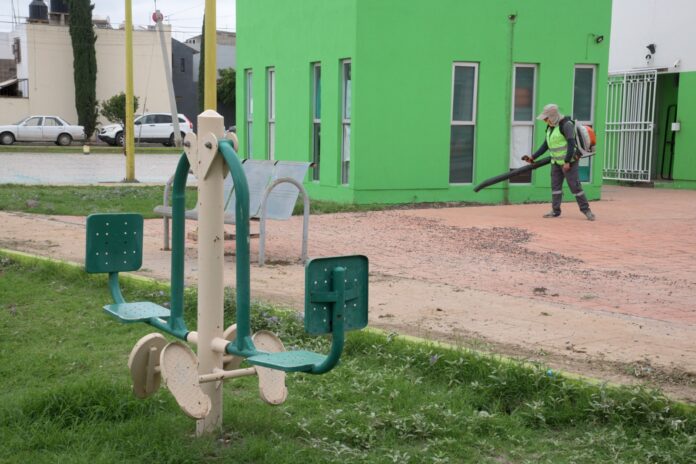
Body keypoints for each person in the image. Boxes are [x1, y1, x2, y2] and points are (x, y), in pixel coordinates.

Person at [522, 104, 595, 221]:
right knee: (555, 187)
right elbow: (546, 145)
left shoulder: (566, 125)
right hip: (555, 162)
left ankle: (586, 210)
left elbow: (571, 144)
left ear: (553, 116)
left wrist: (567, 162)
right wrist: (533, 157)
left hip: (569, 163)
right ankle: (555, 211)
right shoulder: (550, 127)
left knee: (575, 187)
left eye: (546, 118)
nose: (545, 121)